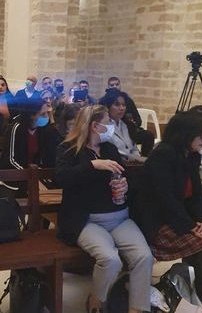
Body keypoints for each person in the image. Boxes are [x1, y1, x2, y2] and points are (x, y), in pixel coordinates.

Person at [55, 105, 153, 313]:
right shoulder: (69, 149)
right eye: (107, 123)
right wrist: (93, 165)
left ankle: (137, 308)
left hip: (119, 217)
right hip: (87, 219)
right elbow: (61, 178)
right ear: (94, 126)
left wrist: (124, 186)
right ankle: (96, 300)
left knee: (143, 256)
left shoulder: (109, 148)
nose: (111, 126)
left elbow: (124, 175)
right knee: (110, 259)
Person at [138, 112, 202, 311]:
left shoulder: (191, 156)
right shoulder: (163, 155)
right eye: (199, 136)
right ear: (185, 135)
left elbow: (196, 195)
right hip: (158, 221)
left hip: (180, 217)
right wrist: (191, 226)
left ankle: (199, 295)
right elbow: (165, 199)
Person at [1, 98, 60, 195]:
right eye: (43, 114)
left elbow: (51, 153)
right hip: (17, 177)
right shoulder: (16, 128)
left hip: (35, 175)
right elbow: (10, 160)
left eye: (47, 113)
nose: (46, 117)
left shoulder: (43, 129)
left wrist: (52, 121)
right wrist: (32, 178)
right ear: (31, 115)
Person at [107, 76, 154, 156]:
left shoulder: (128, 100)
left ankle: (145, 156)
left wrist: (133, 123)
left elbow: (138, 119)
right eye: (112, 85)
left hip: (130, 128)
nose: (121, 108)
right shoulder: (105, 101)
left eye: (117, 84)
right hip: (118, 149)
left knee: (148, 135)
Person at [99, 88, 144, 163]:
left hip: (133, 163)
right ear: (108, 107)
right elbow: (110, 153)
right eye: (117, 104)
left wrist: (137, 158)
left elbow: (134, 148)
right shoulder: (103, 127)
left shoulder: (127, 125)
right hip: (116, 163)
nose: (122, 108)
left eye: (124, 105)